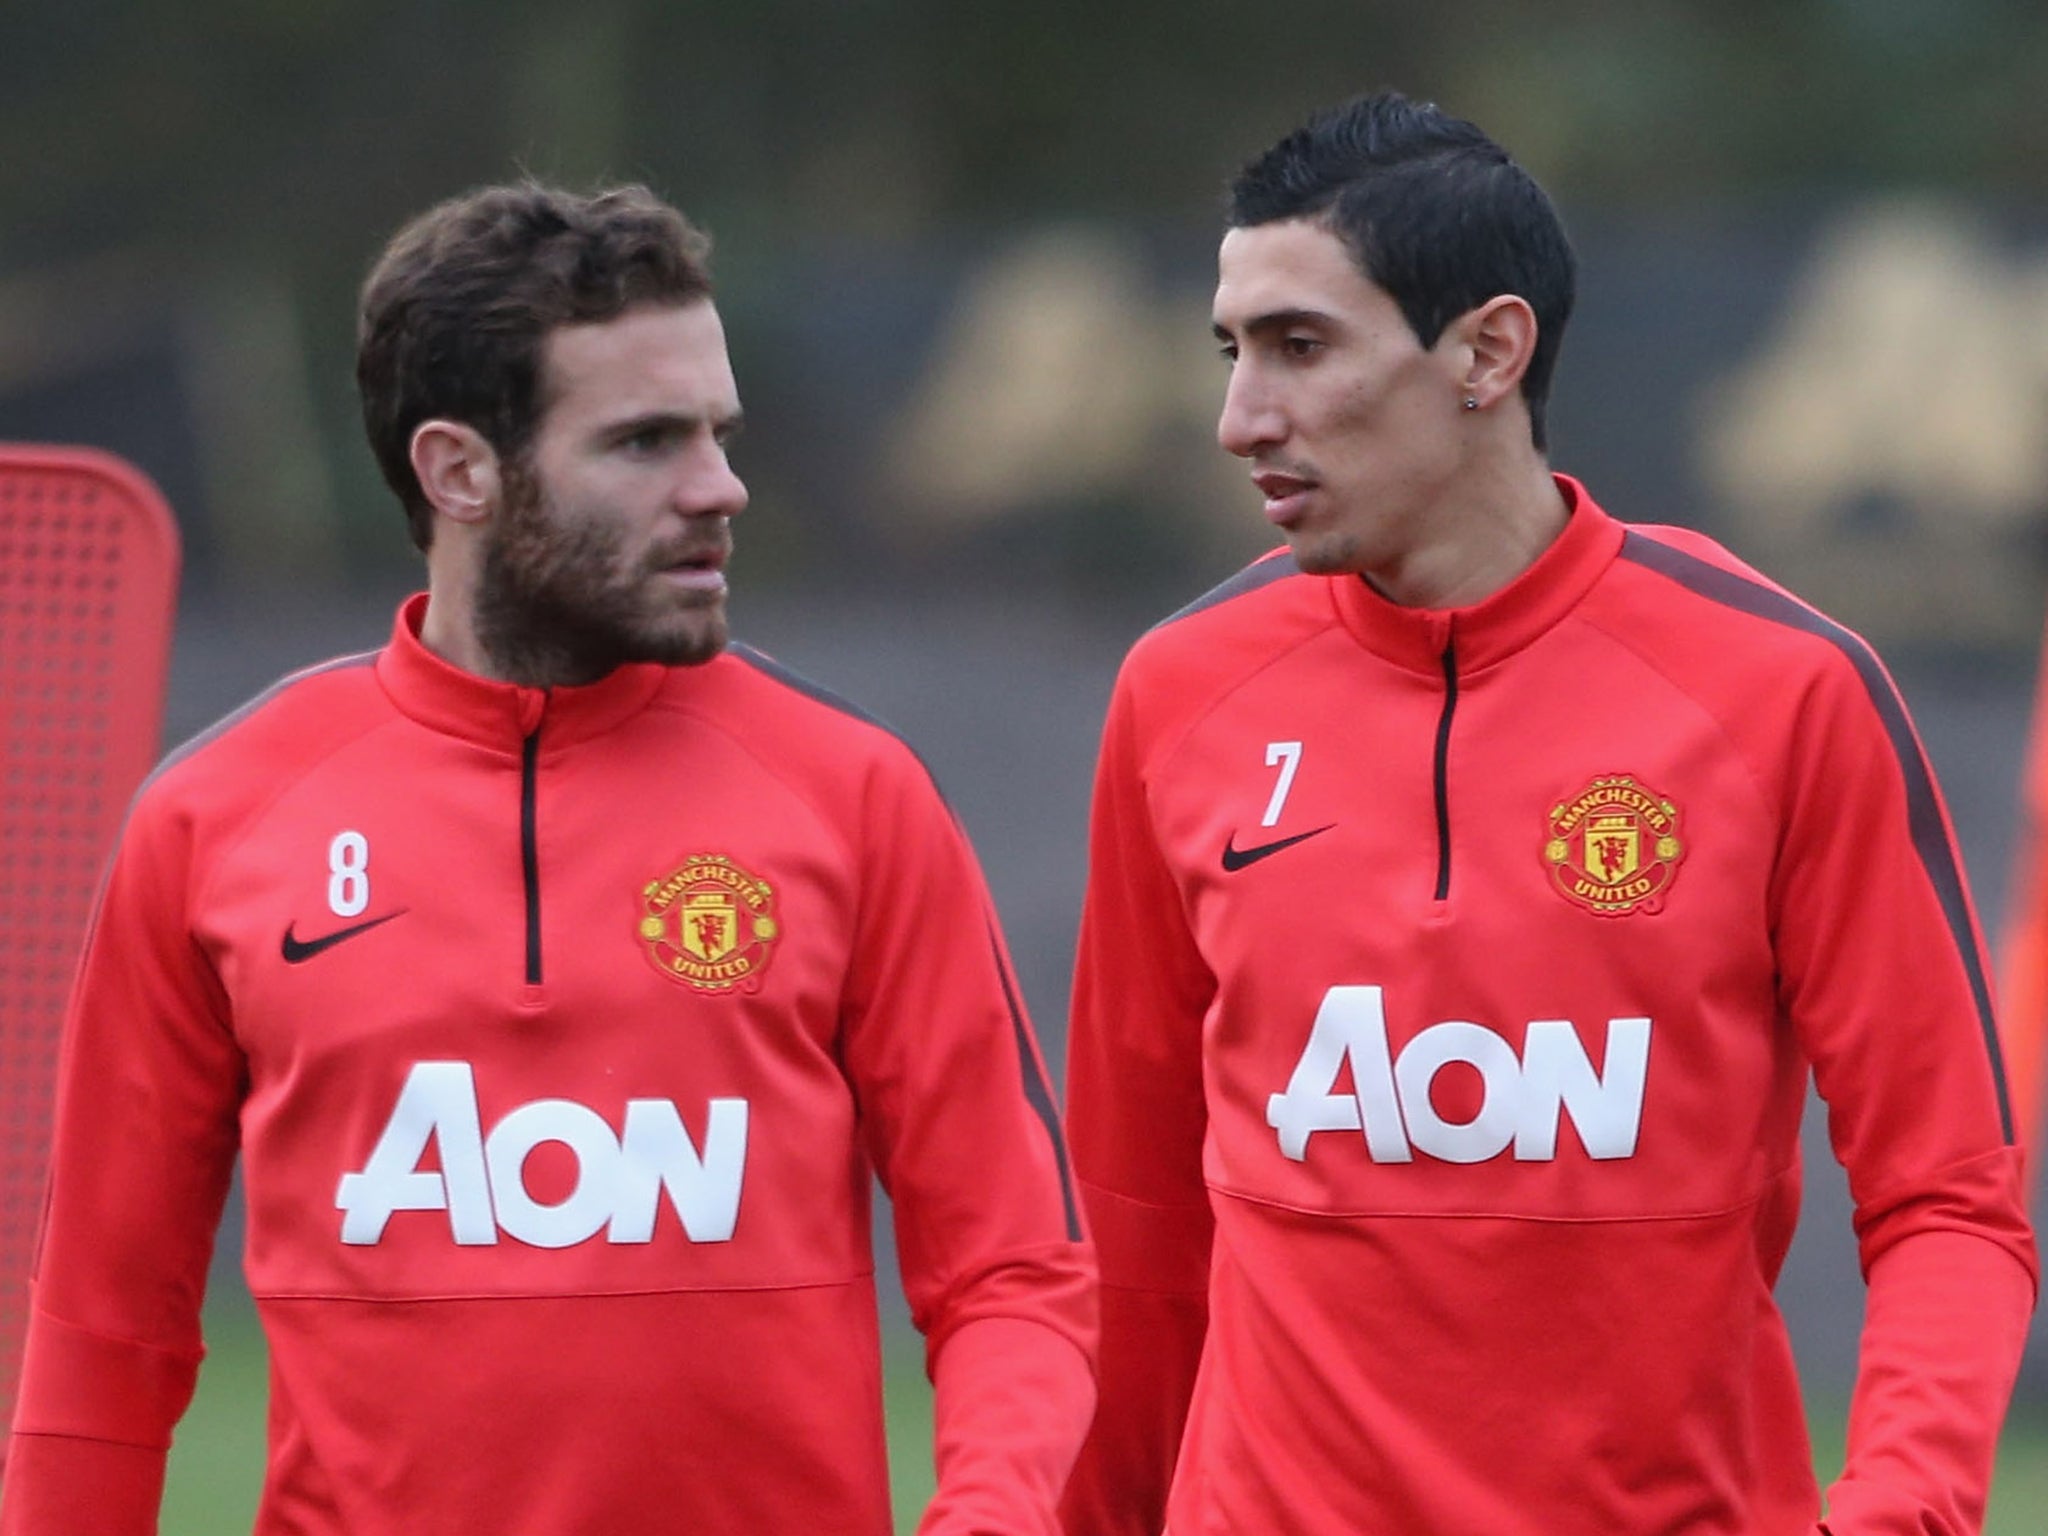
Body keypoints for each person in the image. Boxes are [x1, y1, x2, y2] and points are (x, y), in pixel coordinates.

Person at [0, 181, 1096, 1536]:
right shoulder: (214, 820)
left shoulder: (852, 795)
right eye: (646, 441)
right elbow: (108, 1324)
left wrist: (990, 1513)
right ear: (458, 471)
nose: (720, 486)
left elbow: (1015, 1270)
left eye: (720, 432)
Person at [1058, 91, 2036, 1536]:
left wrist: (1902, 1511)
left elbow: (1950, 1194)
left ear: (1487, 352)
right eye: (1232, 351)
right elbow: (1134, 1226)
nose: (1239, 418)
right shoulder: (1178, 696)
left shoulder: (1783, 692)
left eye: (1300, 347)